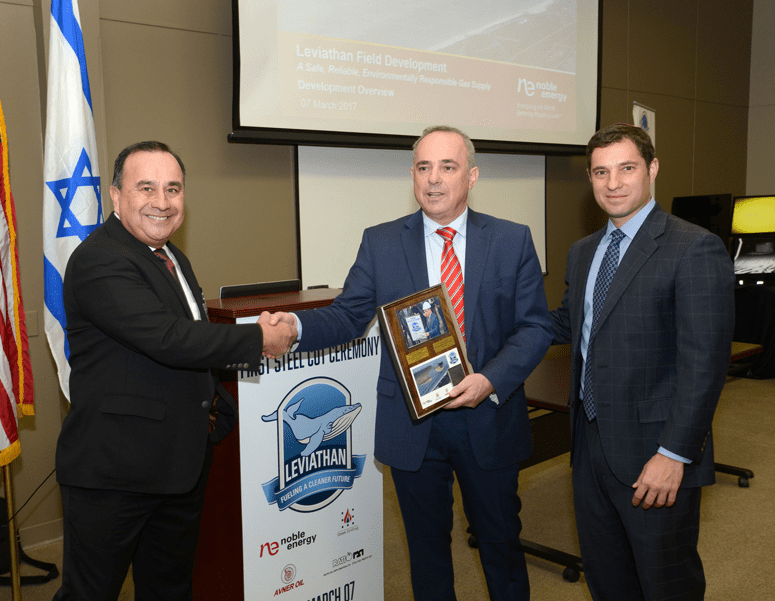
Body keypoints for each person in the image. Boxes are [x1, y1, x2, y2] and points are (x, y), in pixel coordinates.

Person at [269, 126, 552, 600]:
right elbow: (348, 315)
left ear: (473, 175)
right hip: (413, 425)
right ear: (413, 176)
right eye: (424, 167)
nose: (434, 179)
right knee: (426, 553)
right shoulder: (380, 243)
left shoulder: (512, 240)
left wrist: (490, 379)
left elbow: (535, 327)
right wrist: (295, 329)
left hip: (489, 416)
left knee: (501, 547)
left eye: (448, 166)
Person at [53, 141, 295, 601]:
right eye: (146, 188)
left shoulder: (170, 257)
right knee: (90, 593)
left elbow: (193, 337)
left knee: (168, 588)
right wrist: (258, 339)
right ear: (115, 196)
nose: (162, 202)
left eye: (173, 189)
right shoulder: (99, 260)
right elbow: (166, 338)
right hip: (115, 473)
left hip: (177, 464)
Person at [549, 124, 734, 600]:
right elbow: (569, 325)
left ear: (652, 169)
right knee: (608, 579)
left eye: (626, 168)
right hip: (590, 446)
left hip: (655, 453)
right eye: (600, 172)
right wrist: (476, 329)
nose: (613, 183)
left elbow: (705, 365)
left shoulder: (693, 247)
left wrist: (674, 454)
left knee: (665, 582)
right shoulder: (582, 252)